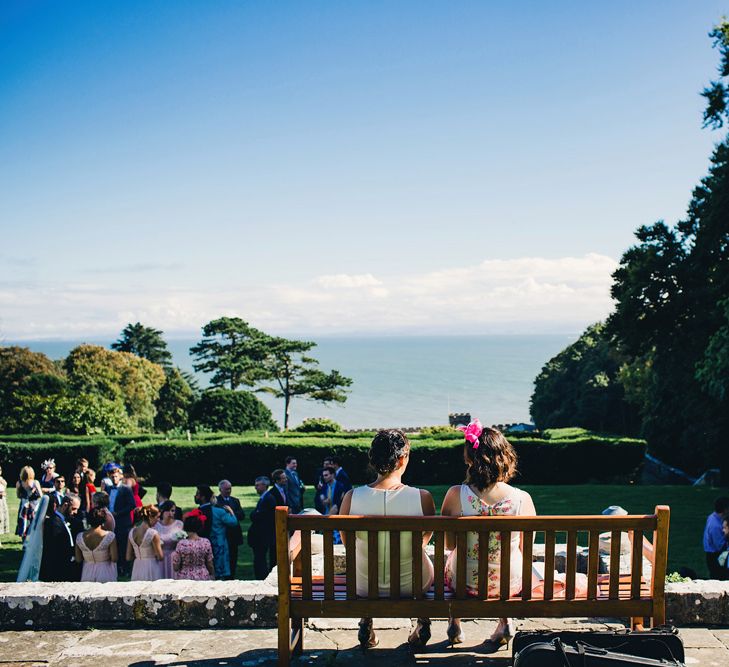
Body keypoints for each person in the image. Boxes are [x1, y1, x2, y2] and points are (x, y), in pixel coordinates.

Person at [441, 420, 536, 652]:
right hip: (507, 584)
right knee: (512, 563)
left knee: (451, 562)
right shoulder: (522, 499)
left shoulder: (456, 495)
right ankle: (504, 621)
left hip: (465, 582)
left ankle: (455, 621)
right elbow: (527, 549)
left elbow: (450, 543)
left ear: (469, 459)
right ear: (504, 457)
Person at [339, 429, 436, 649]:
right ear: (402, 459)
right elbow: (425, 539)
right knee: (425, 564)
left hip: (363, 585)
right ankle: (422, 621)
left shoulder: (351, 497)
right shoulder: (423, 498)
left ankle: (366, 619)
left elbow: (348, 544)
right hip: (412, 585)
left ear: (372, 460)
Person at [248, 469, 288, 579]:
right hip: (262, 535)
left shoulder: (268, 498)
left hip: (263, 535)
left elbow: (259, 516)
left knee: (260, 559)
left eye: (258, 485)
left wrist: (254, 514)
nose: (255, 487)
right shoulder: (265, 498)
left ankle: (262, 577)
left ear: (265, 486)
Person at [194, 485, 238, 580]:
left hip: (202, 546)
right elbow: (233, 522)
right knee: (219, 574)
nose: (195, 496)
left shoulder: (197, 512)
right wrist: (231, 512)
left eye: (197, 494)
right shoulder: (219, 512)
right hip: (219, 545)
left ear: (203, 497)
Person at [39, 494, 77, 582]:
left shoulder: (60, 520)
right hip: (56, 569)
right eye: (74, 508)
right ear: (65, 505)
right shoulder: (55, 523)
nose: (75, 512)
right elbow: (55, 548)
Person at [75, 507, 118, 583]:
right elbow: (114, 558)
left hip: (87, 572)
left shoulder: (80, 537)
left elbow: (78, 559)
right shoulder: (110, 536)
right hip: (105, 571)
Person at [108, 465, 136, 576]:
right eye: (112, 476)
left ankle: (125, 568)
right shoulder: (108, 489)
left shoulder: (126, 489)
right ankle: (117, 568)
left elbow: (132, 505)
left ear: (120, 476)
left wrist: (118, 513)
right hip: (111, 522)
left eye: (116, 476)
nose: (114, 478)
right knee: (113, 545)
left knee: (123, 545)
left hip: (123, 522)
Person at [173, 510, 215, 580]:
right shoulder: (206, 542)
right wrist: (212, 574)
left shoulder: (181, 544)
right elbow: (210, 564)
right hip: (203, 576)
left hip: (185, 578)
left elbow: (176, 567)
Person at [127, 505, 164, 581]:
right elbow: (160, 557)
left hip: (137, 566)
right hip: (151, 566)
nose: (158, 520)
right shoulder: (153, 533)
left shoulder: (131, 532)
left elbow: (128, 557)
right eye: (157, 517)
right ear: (150, 517)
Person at [216, 480, 245, 579]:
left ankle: (231, 576)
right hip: (223, 534)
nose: (228, 491)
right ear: (220, 489)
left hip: (234, 535)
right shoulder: (216, 501)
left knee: (233, 557)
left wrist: (231, 513)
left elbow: (242, 515)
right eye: (226, 489)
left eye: (230, 489)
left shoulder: (235, 500)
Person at [154, 500, 184, 578]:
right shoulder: (156, 525)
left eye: (173, 511)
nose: (171, 513)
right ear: (162, 511)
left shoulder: (179, 524)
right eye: (168, 510)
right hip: (160, 558)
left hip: (174, 558)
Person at [703, 497, 729, 580]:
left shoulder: (712, 517)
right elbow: (720, 546)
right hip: (714, 555)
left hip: (712, 553)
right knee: (718, 576)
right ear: (725, 510)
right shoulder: (715, 526)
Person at [16, 465, 42, 542]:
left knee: (23, 522)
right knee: (33, 522)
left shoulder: (19, 483)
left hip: (24, 505)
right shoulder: (35, 482)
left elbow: (18, 495)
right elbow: (40, 495)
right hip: (34, 505)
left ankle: (24, 540)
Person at [0, 465, 10, 536]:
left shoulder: (1, 479)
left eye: (0, 470)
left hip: (2, 501)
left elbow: (5, 485)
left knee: (2, 517)